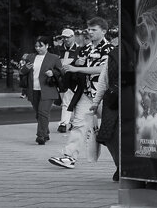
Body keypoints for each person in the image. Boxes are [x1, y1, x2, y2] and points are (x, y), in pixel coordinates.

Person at [49, 18, 113, 169]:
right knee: (78, 125)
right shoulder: (84, 49)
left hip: (104, 95)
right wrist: (75, 65)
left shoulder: (109, 49)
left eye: (94, 30)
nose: (90, 32)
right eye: (88, 30)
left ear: (104, 31)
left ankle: (122, 163)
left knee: (112, 130)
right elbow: (76, 67)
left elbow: (103, 70)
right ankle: (69, 157)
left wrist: (77, 68)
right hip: (86, 94)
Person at [92, 29, 122, 180]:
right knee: (109, 135)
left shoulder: (142, 51)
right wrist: (96, 102)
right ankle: (120, 165)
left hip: (135, 100)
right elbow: (104, 79)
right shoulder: (113, 54)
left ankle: (127, 167)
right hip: (113, 100)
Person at [26, 36, 63, 146]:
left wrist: (53, 73)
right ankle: (45, 132)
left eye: (40, 46)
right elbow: (22, 71)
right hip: (33, 90)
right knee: (39, 114)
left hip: (48, 89)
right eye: (36, 46)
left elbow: (61, 72)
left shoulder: (54, 58)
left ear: (47, 46)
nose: (38, 48)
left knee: (43, 112)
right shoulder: (31, 57)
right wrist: (25, 68)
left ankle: (40, 136)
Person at [54, 28, 76, 132]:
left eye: (68, 37)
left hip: (74, 78)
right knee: (65, 101)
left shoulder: (79, 49)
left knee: (68, 101)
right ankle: (70, 122)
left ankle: (64, 123)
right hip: (61, 78)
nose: (66, 39)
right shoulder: (58, 49)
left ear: (73, 37)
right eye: (64, 37)